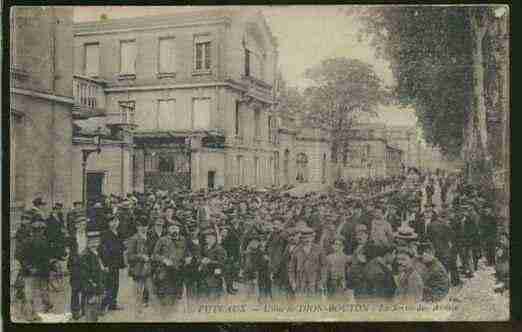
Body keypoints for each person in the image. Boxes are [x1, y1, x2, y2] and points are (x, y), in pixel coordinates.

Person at [16, 218, 54, 321]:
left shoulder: (45, 240)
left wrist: (49, 267)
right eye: (38, 230)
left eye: (41, 229)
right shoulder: (27, 242)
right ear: (33, 230)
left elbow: (47, 256)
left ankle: (40, 308)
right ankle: (30, 314)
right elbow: (19, 256)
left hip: (42, 271)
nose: (40, 231)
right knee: (30, 294)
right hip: (30, 272)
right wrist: (29, 267)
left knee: (40, 292)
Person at [152, 221, 187, 314]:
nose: (174, 230)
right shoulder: (162, 240)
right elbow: (154, 255)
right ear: (168, 230)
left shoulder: (183, 240)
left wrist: (188, 258)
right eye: (172, 228)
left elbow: (187, 252)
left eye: (176, 228)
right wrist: (164, 260)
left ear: (179, 230)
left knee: (177, 296)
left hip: (179, 270)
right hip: (165, 270)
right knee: (165, 294)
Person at [288, 226, 327, 297]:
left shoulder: (319, 249)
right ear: (301, 239)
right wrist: (293, 282)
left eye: (309, 238)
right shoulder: (296, 250)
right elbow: (291, 268)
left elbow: (324, 266)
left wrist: (322, 281)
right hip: (300, 282)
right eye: (304, 238)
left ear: (313, 238)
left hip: (315, 282)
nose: (306, 240)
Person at [126, 217, 153, 318]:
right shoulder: (134, 239)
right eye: (141, 226)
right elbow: (129, 256)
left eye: (145, 226)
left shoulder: (149, 237)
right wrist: (140, 256)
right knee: (138, 292)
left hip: (148, 269)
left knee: (148, 291)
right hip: (138, 270)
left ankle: (145, 311)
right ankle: (138, 313)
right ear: (137, 227)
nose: (143, 228)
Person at [99, 214, 126, 312]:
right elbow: (102, 250)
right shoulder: (105, 234)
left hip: (116, 263)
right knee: (108, 285)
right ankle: (103, 306)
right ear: (108, 223)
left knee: (115, 284)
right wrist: (104, 265)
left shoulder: (119, 233)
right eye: (112, 221)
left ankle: (112, 304)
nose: (114, 223)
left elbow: (122, 247)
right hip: (109, 263)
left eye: (116, 221)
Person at [80, 231, 106, 322]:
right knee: (90, 315)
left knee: (94, 316)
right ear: (88, 242)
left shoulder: (96, 253)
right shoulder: (85, 255)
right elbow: (85, 276)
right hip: (91, 291)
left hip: (97, 289)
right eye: (92, 241)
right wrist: (93, 290)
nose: (94, 244)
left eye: (96, 241)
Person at [66, 215, 88, 321]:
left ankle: (84, 310)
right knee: (75, 289)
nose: (82, 226)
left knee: (85, 288)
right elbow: (69, 253)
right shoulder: (71, 238)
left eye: (84, 224)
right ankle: (75, 311)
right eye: (80, 224)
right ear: (76, 225)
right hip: (75, 266)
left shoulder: (88, 236)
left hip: (86, 266)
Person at [199, 227, 226, 301]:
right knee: (205, 298)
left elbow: (222, 263)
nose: (209, 239)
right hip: (205, 276)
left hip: (214, 277)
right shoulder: (205, 247)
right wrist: (201, 262)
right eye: (207, 238)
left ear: (215, 238)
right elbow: (201, 257)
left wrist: (210, 261)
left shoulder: (220, 249)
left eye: (211, 238)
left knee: (214, 298)